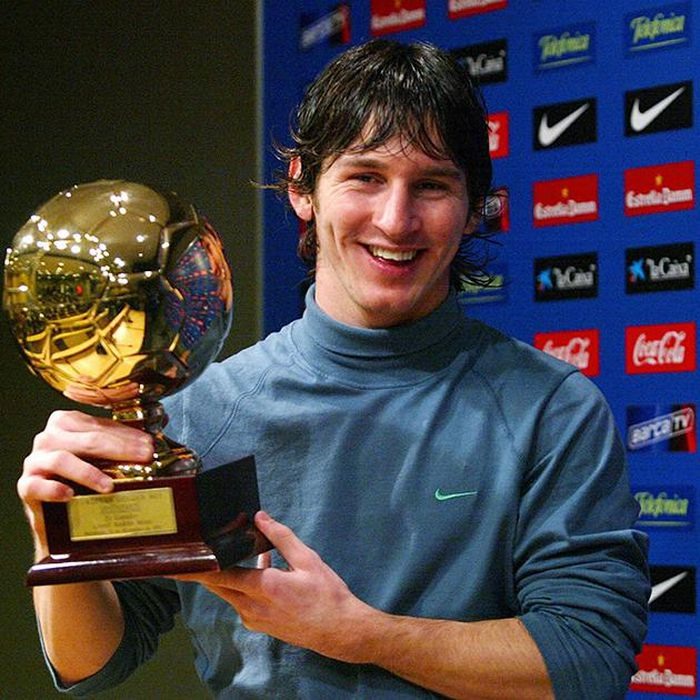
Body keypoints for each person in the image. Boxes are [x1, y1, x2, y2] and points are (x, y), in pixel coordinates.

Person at [19, 40, 649, 699]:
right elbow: (96, 662)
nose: (396, 220)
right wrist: (55, 539)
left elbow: (587, 660)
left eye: (431, 185)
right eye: (365, 177)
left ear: (473, 209)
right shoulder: (202, 408)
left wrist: (360, 634)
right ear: (302, 188)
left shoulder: (551, 409)